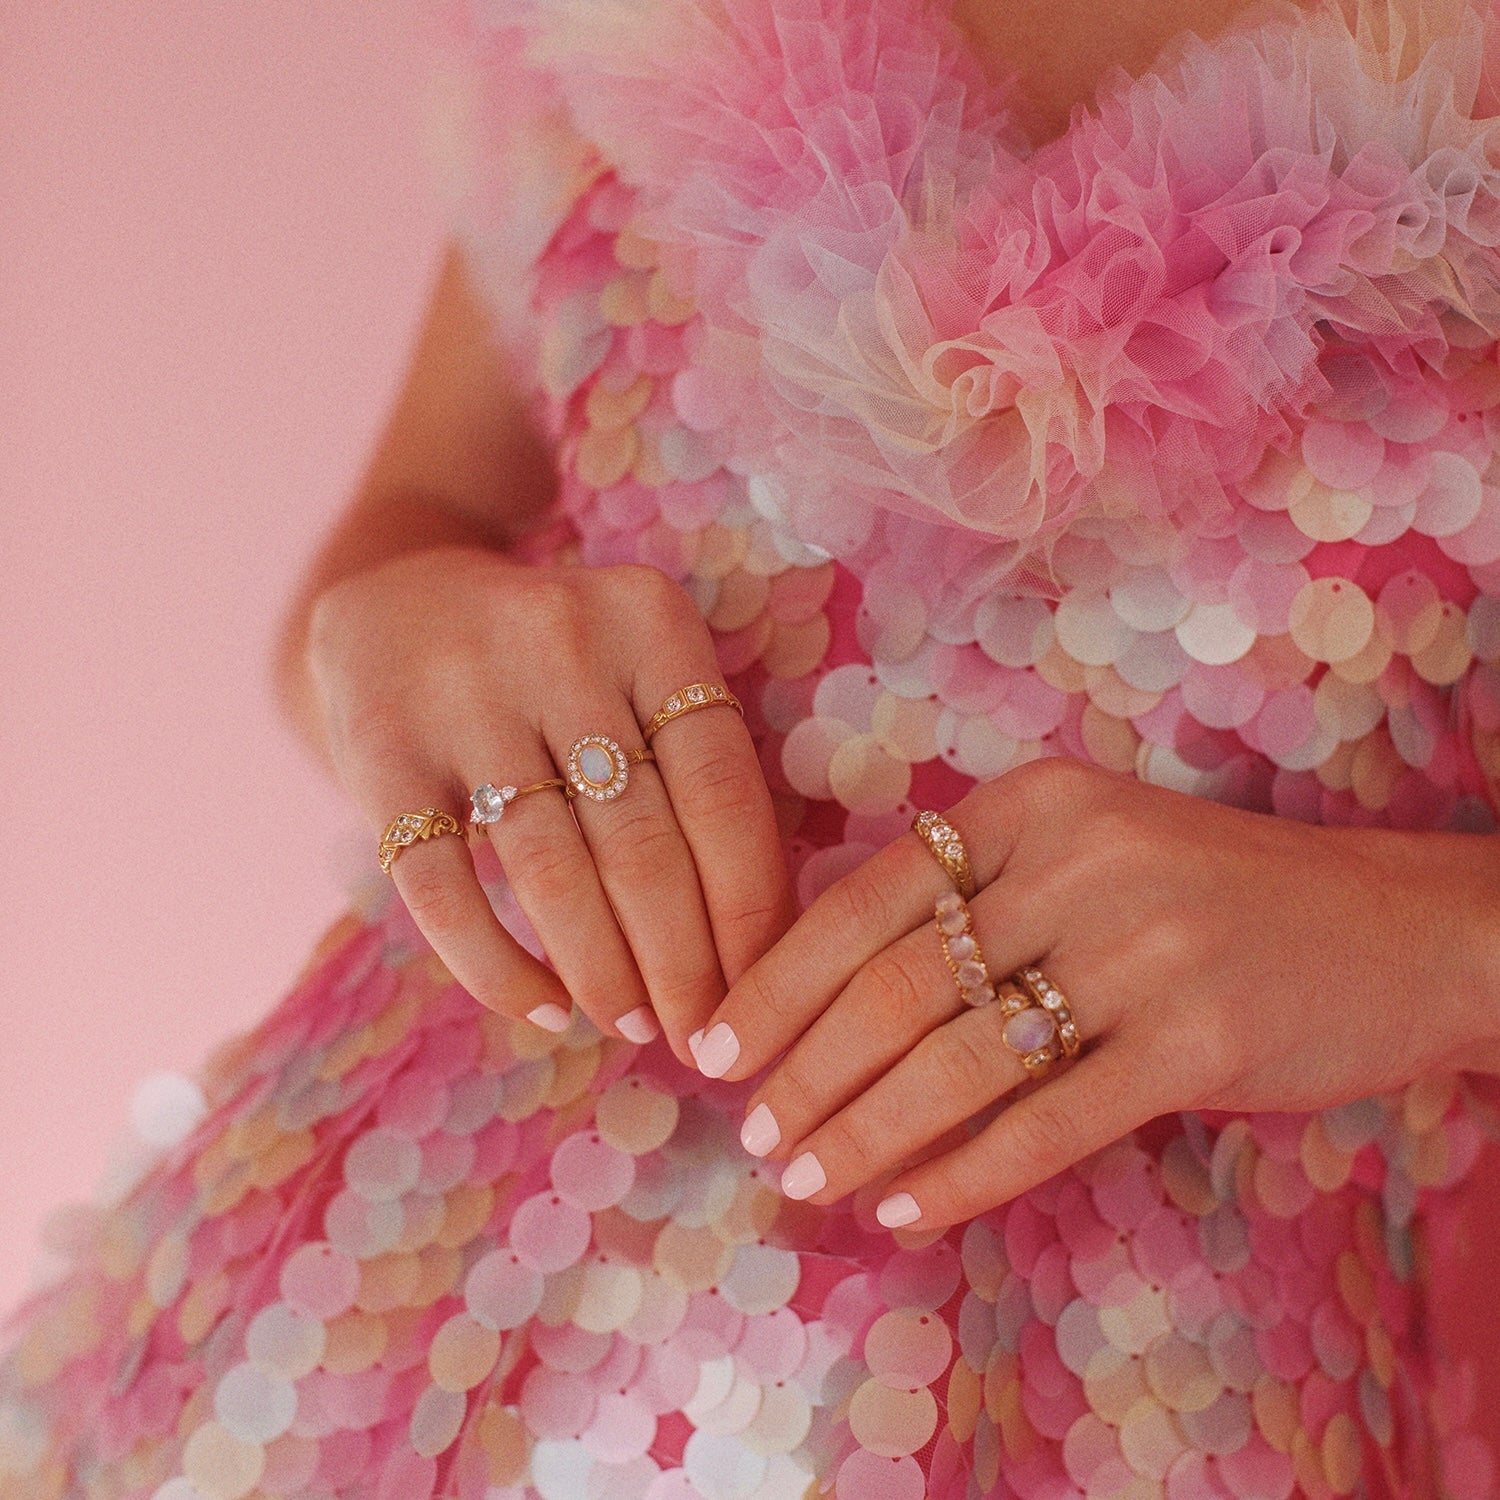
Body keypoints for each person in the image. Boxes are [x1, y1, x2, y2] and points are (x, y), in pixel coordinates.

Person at [3, 0, 1499, 1493]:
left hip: (1208, 1381)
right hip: (383, 1322)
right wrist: (395, 629)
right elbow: (406, 539)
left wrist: (1432, 948)